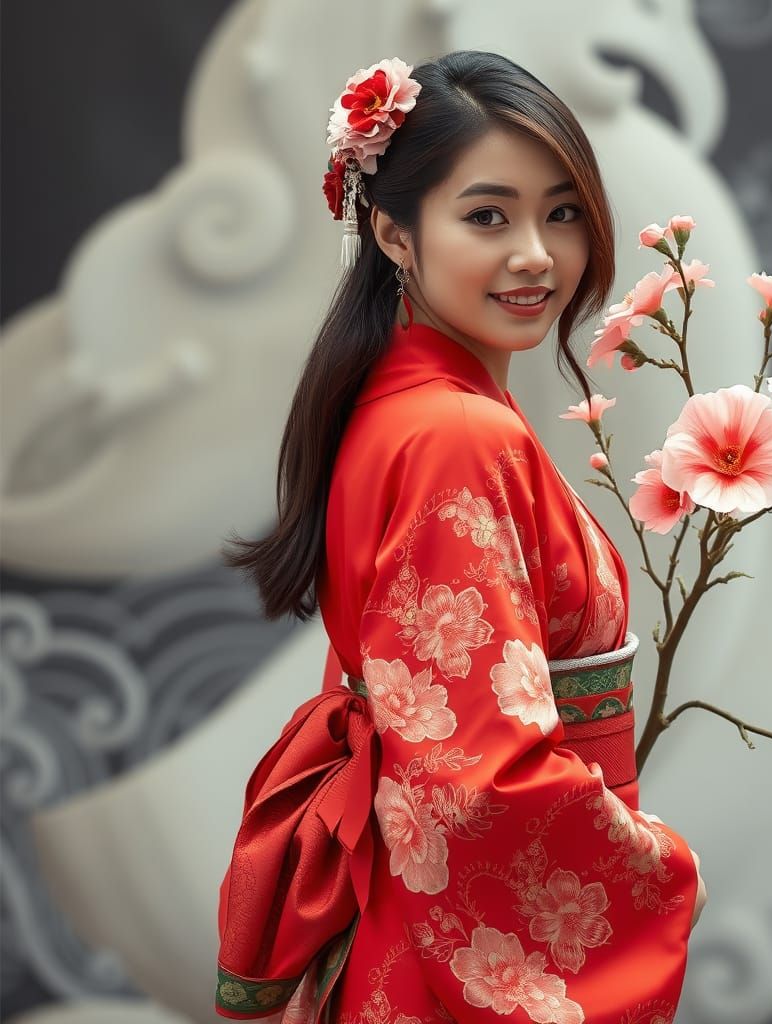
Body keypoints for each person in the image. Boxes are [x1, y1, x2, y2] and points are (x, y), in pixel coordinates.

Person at [216, 50, 706, 1023]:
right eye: (488, 215)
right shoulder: (453, 431)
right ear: (394, 232)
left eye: (561, 211)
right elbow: (476, 781)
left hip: (412, 911)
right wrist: (661, 865)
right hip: (452, 940)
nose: (535, 252)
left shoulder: (410, 403)